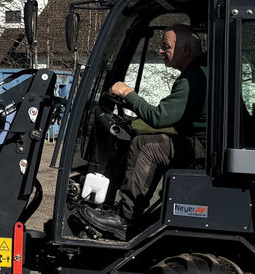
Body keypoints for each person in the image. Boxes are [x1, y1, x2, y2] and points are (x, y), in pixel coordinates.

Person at [84, 25, 208, 240]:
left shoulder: (193, 79)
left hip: (204, 150)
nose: (161, 51)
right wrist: (131, 103)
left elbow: (159, 118)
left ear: (185, 50)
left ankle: (125, 219)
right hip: (205, 145)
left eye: (165, 47)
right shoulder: (200, 72)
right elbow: (165, 112)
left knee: (146, 145)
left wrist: (128, 94)